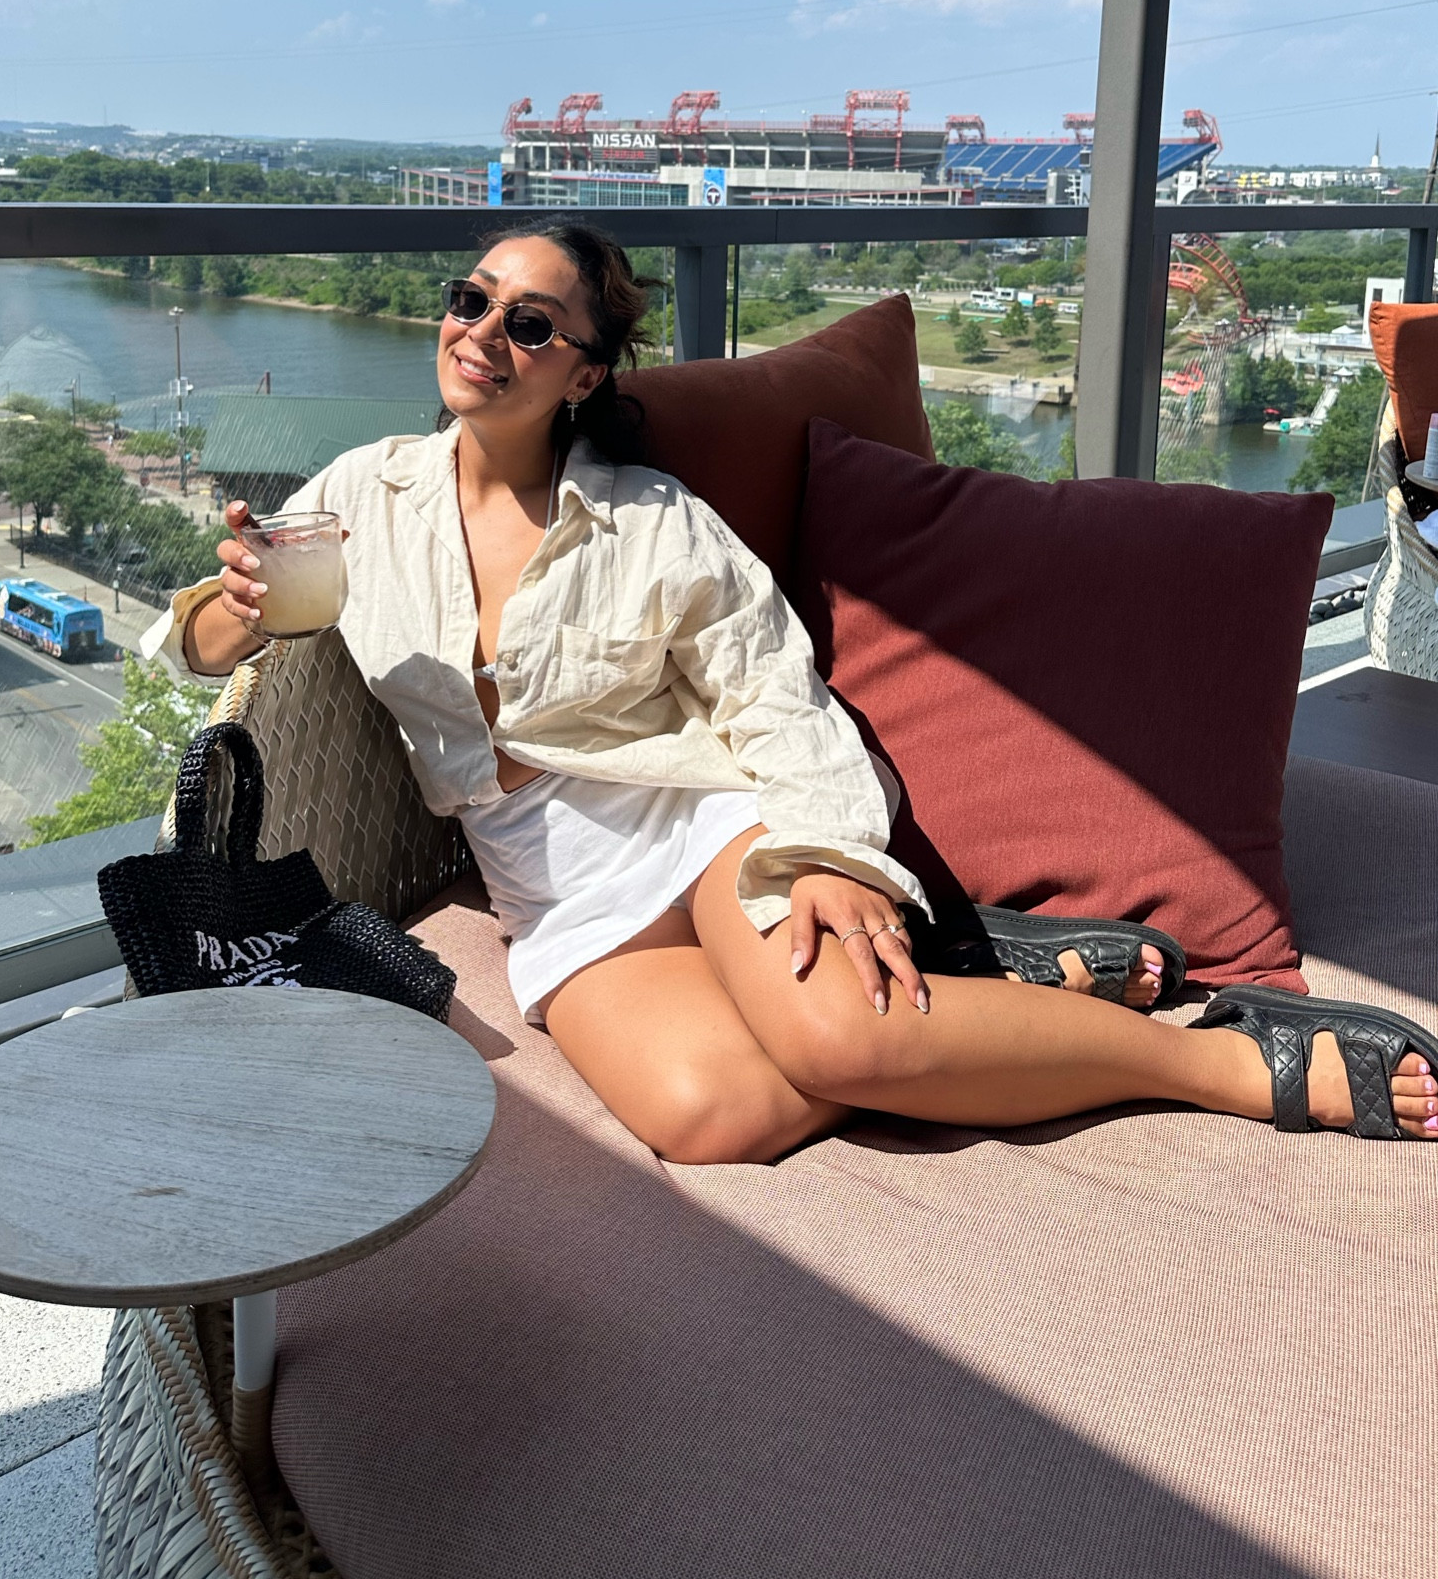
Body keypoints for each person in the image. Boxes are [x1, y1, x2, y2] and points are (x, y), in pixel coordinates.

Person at [147, 222, 1438, 1162]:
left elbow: (777, 703)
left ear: (584, 372)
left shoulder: (653, 523)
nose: (482, 334)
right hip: (543, 878)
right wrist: (230, 606)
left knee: (843, 1047)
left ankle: (1223, 1058)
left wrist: (826, 861)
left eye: (529, 322)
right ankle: (996, 986)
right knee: (717, 1117)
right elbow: (214, 651)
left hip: (699, 822)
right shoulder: (363, 490)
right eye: (470, 299)